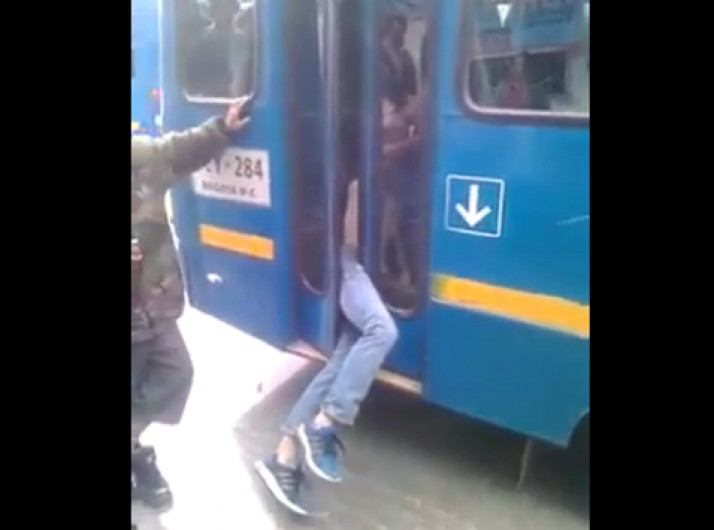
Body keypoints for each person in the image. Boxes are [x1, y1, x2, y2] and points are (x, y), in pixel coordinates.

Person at [131, 98, 250, 509]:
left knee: (176, 372)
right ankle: (138, 460)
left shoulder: (140, 159)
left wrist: (222, 127)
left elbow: (176, 150)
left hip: (154, 305)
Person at [254, 177, 399, 515]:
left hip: (369, 274)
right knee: (381, 331)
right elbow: (351, 236)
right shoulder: (367, 178)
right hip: (351, 266)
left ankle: (283, 459)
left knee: (339, 365)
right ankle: (326, 420)